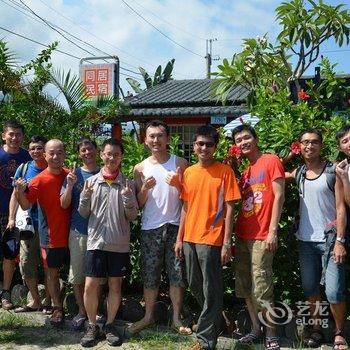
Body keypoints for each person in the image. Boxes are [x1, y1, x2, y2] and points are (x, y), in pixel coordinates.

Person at [175, 125, 241, 350]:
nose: (204, 148)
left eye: (209, 144)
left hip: (212, 239)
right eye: (200, 144)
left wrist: (226, 242)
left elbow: (230, 209)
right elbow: (185, 207)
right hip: (189, 238)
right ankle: (217, 320)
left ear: (215, 147)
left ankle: (205, 341)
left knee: (211, 289)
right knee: (194, 284)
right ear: (194, 147)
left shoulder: (225, 172)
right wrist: (179, 238)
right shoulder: (190, 172)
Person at [129, 120, 191, 335]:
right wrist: (144, 188)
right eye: (151, 136)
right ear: (145, 140)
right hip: (150, 228)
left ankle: (175, 317)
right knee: (150, 274)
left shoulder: (180, 163)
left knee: (177, 274)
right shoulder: (140, 168)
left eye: (160, 136)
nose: (156, 140)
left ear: (168, 139)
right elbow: (138, 203)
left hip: (175, 226)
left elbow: (188, 199)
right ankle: (148, 316)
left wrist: (179, 184)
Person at [79, 138, 138, 348]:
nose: (112, 158)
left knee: (115, 285)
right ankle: (92, 325)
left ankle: (110, 325)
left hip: (119, 244)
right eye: (108, 154)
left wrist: (128, 198)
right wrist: (85, 197)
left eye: (116, 154)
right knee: (90, 285)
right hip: (95, 242)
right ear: (102, 155)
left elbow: (133, 216)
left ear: (121, 157)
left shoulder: (127, 183)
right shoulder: (91, 182)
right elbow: (83, 213)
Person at [232, 125, 285, 350]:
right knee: (245, 285)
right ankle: (255, 329)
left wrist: (273, 230)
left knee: (262, 286)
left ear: (256, 138)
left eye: (246, 138)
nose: (243, 142)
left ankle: (271, 333)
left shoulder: (271, 160)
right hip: (242, 235)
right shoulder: (246, 172)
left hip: (263, 235)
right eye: (239, 140)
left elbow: (279, 196)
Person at [15, 139, 70, 326]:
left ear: (64, 154)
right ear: (45, 156)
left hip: (73, 234)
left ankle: (81, 309)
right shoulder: (39, 179)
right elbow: (25, 204)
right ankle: (56, 308)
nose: (55, 157)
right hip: (51, 235)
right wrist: (19, 191)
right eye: (51, 153)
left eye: (59, 152)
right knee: (52, 273)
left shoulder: (70, 175)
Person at [7, 136, 51, 313]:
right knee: (26, 263)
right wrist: (11, 218)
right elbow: (14, 195)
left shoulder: (53, 168)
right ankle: (36, 300)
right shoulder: (24, 168)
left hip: (49, 224)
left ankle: (49, 301)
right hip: (27, 225)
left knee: (49, 265)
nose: (35, 151)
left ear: (45, 150)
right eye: (32, 148)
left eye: (39, 148)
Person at [60, 138, 100, 330]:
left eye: (90, 149)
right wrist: (69, 185)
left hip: (101, 233)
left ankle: (95, 310)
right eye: (83, 150)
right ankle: (82, 311)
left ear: (97, 150)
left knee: (97, 276)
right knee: (77, 275)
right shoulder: (72, 175)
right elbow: (64, 204)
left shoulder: (105, 173)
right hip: (78, 231)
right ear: (79, 154)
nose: (87, 153)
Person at [0, 119, 31, 310]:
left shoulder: (28, 157)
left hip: (16, 214)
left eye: (18, 134)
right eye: (11, 134)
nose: (14, 138)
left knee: (9, 254)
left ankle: (6, 292)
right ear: (3, 135)